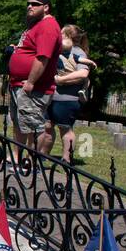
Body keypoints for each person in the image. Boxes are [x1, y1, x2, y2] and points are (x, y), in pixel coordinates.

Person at [6, 0, 60, 155]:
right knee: (20, 123)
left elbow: (42, 58)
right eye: (28, 3)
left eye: (35, 4)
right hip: (19, 84)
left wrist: (30, 82)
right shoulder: (36, 25)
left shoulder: (48, 26)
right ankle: (17, 157)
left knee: (34, 126)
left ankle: (32, 161)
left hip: (33, 87)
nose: (30, 6)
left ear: (46, 7)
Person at [50, 25, 92, 161]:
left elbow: (83, 73)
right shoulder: (59, 49)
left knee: (65, 128)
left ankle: (66, 159)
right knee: (46, 126)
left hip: (67, 98)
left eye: (61, 32)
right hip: (52, 96)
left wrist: (60, 80)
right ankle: (41, 156)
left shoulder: (78, 52)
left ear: (67, 36)